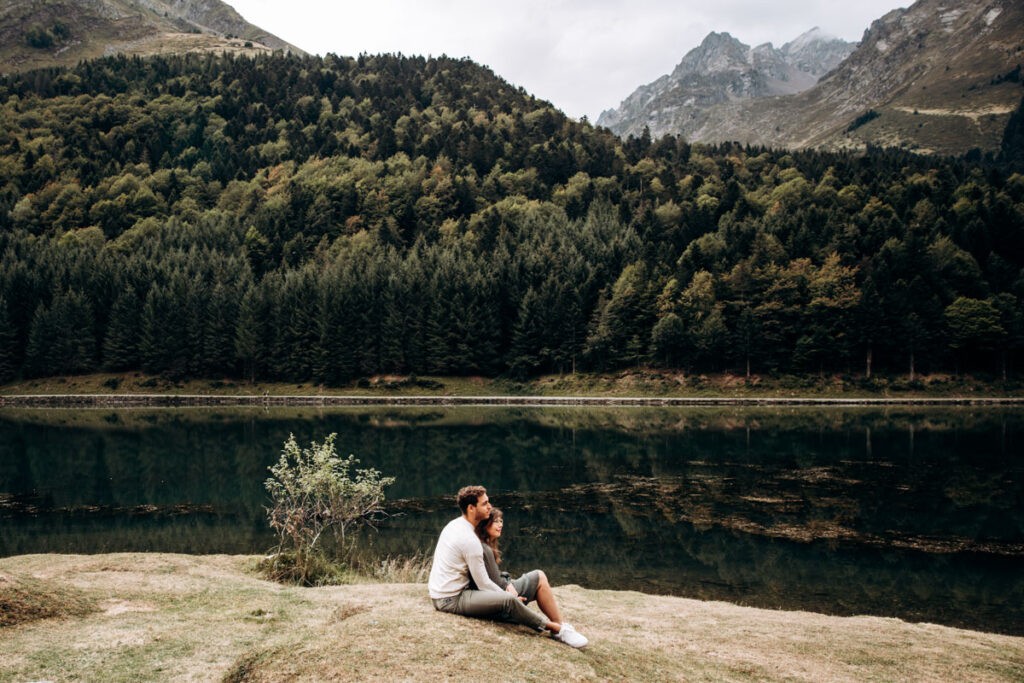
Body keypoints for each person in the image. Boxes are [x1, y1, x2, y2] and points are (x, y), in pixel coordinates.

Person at [427, 485, 588, 648]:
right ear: (471, 508)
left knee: (538, 576)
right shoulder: (469, 540)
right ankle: (557, 629)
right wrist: (510, 597)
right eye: (484, 504)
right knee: (508, 600)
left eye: (488, 502)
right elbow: (483, 584)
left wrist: (507, 585)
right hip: (450, 599)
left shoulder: (455, 524)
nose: (489, 506)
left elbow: (486, 578)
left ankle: (560, 625)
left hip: (460, 591)